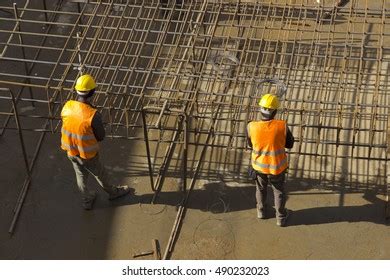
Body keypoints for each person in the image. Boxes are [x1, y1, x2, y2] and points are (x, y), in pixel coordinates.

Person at [61, 74, 130, 210]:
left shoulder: (67, 106)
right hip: (87, 154)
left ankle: (87, 199)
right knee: (100, 174)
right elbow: (100, 136)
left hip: (71, 151)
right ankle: (113, 193)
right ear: (93, 92)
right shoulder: (92, 115)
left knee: (80, 175)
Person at [247, 94, 294, 227]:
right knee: (278, 191)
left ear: (260, 109)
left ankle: (261, 211)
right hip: (276, 167)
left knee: (260, 189)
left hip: (259, 166)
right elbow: (289, 144)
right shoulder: (282, 126)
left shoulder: (251, 126)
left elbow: (251, 145)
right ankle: (280, 218)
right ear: (275, 111)